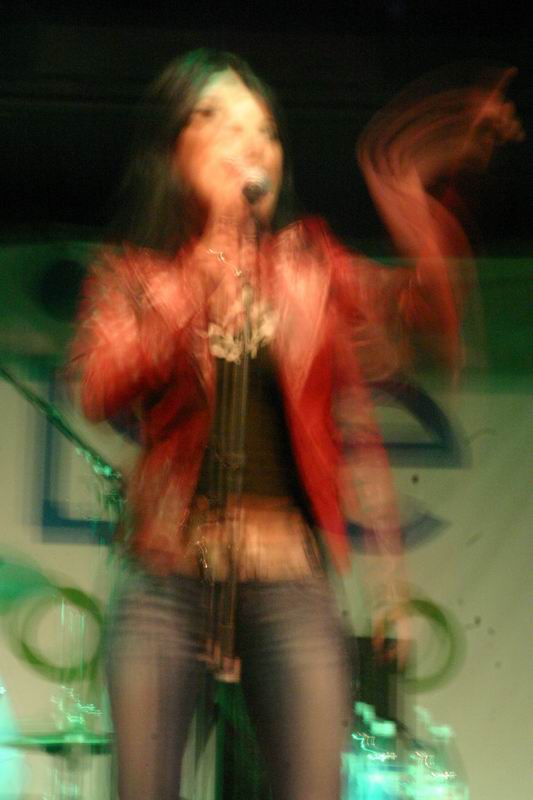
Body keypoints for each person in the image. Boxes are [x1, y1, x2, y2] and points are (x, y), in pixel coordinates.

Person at [68, 49, 521, 800]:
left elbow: (423, 323)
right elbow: (98, 384)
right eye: (218, 120)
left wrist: (417, 192)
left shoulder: (313, 264)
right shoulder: (133, 275)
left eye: (265, 130)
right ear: (175, 150)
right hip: (165, 581)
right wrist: (205, 267)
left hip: (289, 585)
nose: (250, 142)